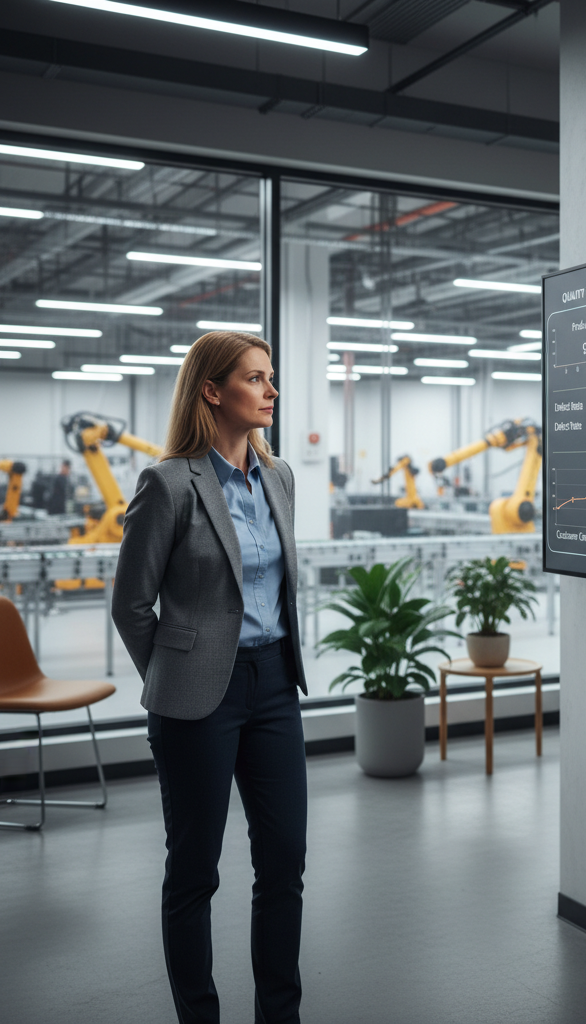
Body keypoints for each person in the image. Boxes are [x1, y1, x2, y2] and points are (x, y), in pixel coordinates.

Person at [112, 332, 308, 1024]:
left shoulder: (279, 476)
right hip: (198, 697)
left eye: (271, 378)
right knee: (196, 874)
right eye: (256, 379)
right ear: (211, 391)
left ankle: (278, 1015)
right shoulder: (168, 484)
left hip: (276, 687)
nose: (271, 391)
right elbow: (130, 603)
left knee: (284, 865)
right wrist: (175, 675)